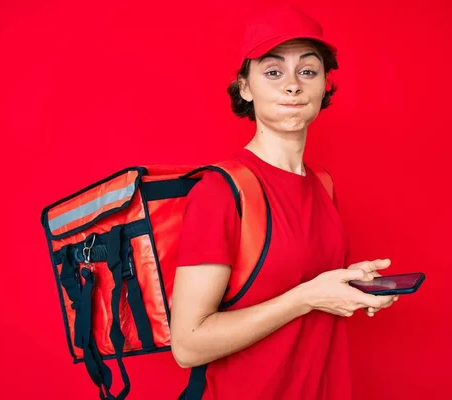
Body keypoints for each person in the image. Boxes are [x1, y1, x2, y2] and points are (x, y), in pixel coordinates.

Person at [171, 4, 398, 399]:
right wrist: (308, 296)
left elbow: (306, 279)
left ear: (325, 84)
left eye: (307, 71)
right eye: (273, 71)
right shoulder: (222, 190)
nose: (292, 85)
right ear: (245, 86)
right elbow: (188, 345)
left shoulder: (322, 183)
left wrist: (353, 283)